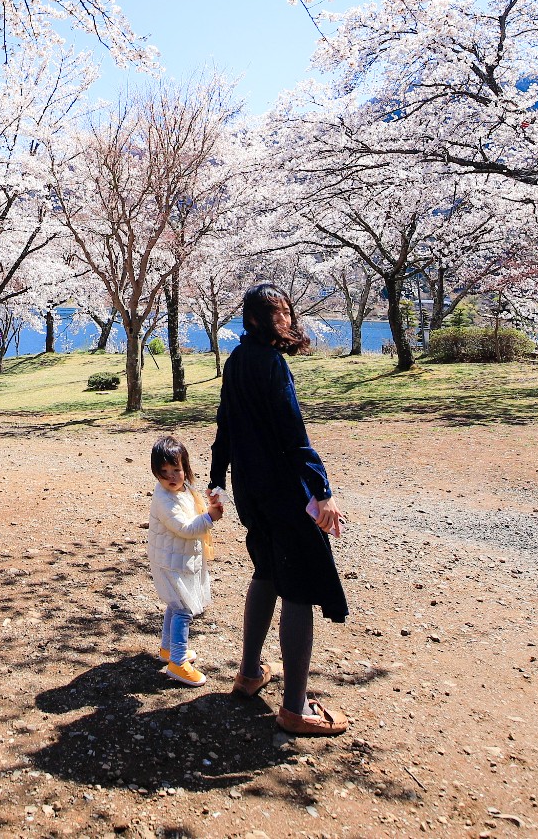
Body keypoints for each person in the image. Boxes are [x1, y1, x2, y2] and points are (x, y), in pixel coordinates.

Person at [209, 283, 351, 738]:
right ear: (255, 320)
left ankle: (250, 672)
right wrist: (322, 491)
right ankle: (294, 708)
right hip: (285, 495)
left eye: (288, 311)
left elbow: (224, 428)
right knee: (297, 589)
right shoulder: (272, 365)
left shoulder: (235, 361)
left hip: (252, 494)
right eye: (279, 312)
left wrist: (218, 481)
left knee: (266, 572)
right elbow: (295, 436)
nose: (287, 319)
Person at [147, 435, 222, 686]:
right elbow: (185, 528)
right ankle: (178, 662)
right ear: (156, 473)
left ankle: (168, 649)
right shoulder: (164, 499)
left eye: (176, 469)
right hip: (170, 562)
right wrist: (211, 518)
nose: (171, 476)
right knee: (183, 609)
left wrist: (209, 504)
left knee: (174, 604)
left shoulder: (183, 490)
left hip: (175, 558)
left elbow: (194, 509)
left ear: (185, 468)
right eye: (164, 471)